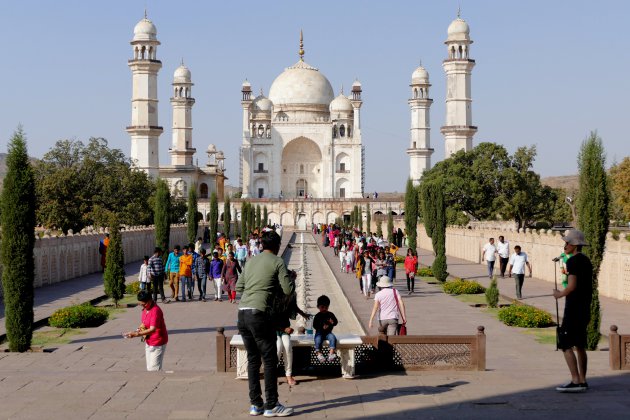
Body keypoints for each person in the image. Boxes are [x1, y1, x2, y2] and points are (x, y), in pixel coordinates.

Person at [236, 231, 295, 417]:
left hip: (242, 313)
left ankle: (256, 404)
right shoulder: (277, 261)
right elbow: (288, 289)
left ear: (262, 245)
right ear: (277, 246)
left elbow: (239, 287)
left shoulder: (252, 260)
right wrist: (289, 278)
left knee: (253, 360)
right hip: (260, 314)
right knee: (269, 360)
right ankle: (271, 405)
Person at [553, 229, 592, 393]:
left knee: (565, 344)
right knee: (580, 345)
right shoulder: (586, 261)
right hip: (584, 308)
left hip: (574, 308)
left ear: (575, 245)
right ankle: (583, 380)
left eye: (567, 243)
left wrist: (559, 294)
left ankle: (576, 380)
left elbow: (571, 286)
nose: (565, 245)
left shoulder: (573, 262)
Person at [124, 291, 168, 371]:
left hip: (158, 342)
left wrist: (137, 334)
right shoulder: (145, 309)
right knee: (150, 368)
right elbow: (144, 323)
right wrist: (135, 331)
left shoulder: (155, 311)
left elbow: (152, 329)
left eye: (144, 304)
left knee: (154, 369)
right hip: (149, 341)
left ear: (150, 300)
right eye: (140, 304)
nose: (143, 306)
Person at [313, 295, 339, 363]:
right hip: (319, 333)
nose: (324, 309)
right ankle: (319, 353)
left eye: (326, 307)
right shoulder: (317, 316)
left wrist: (332, 322)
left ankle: (331, 353)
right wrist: (321, 327)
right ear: (318, 307)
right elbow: (314, 325)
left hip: (328, 333)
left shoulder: (330, 314)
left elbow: (335, 322)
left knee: (333, 337)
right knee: (317, 339)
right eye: (322, 307)